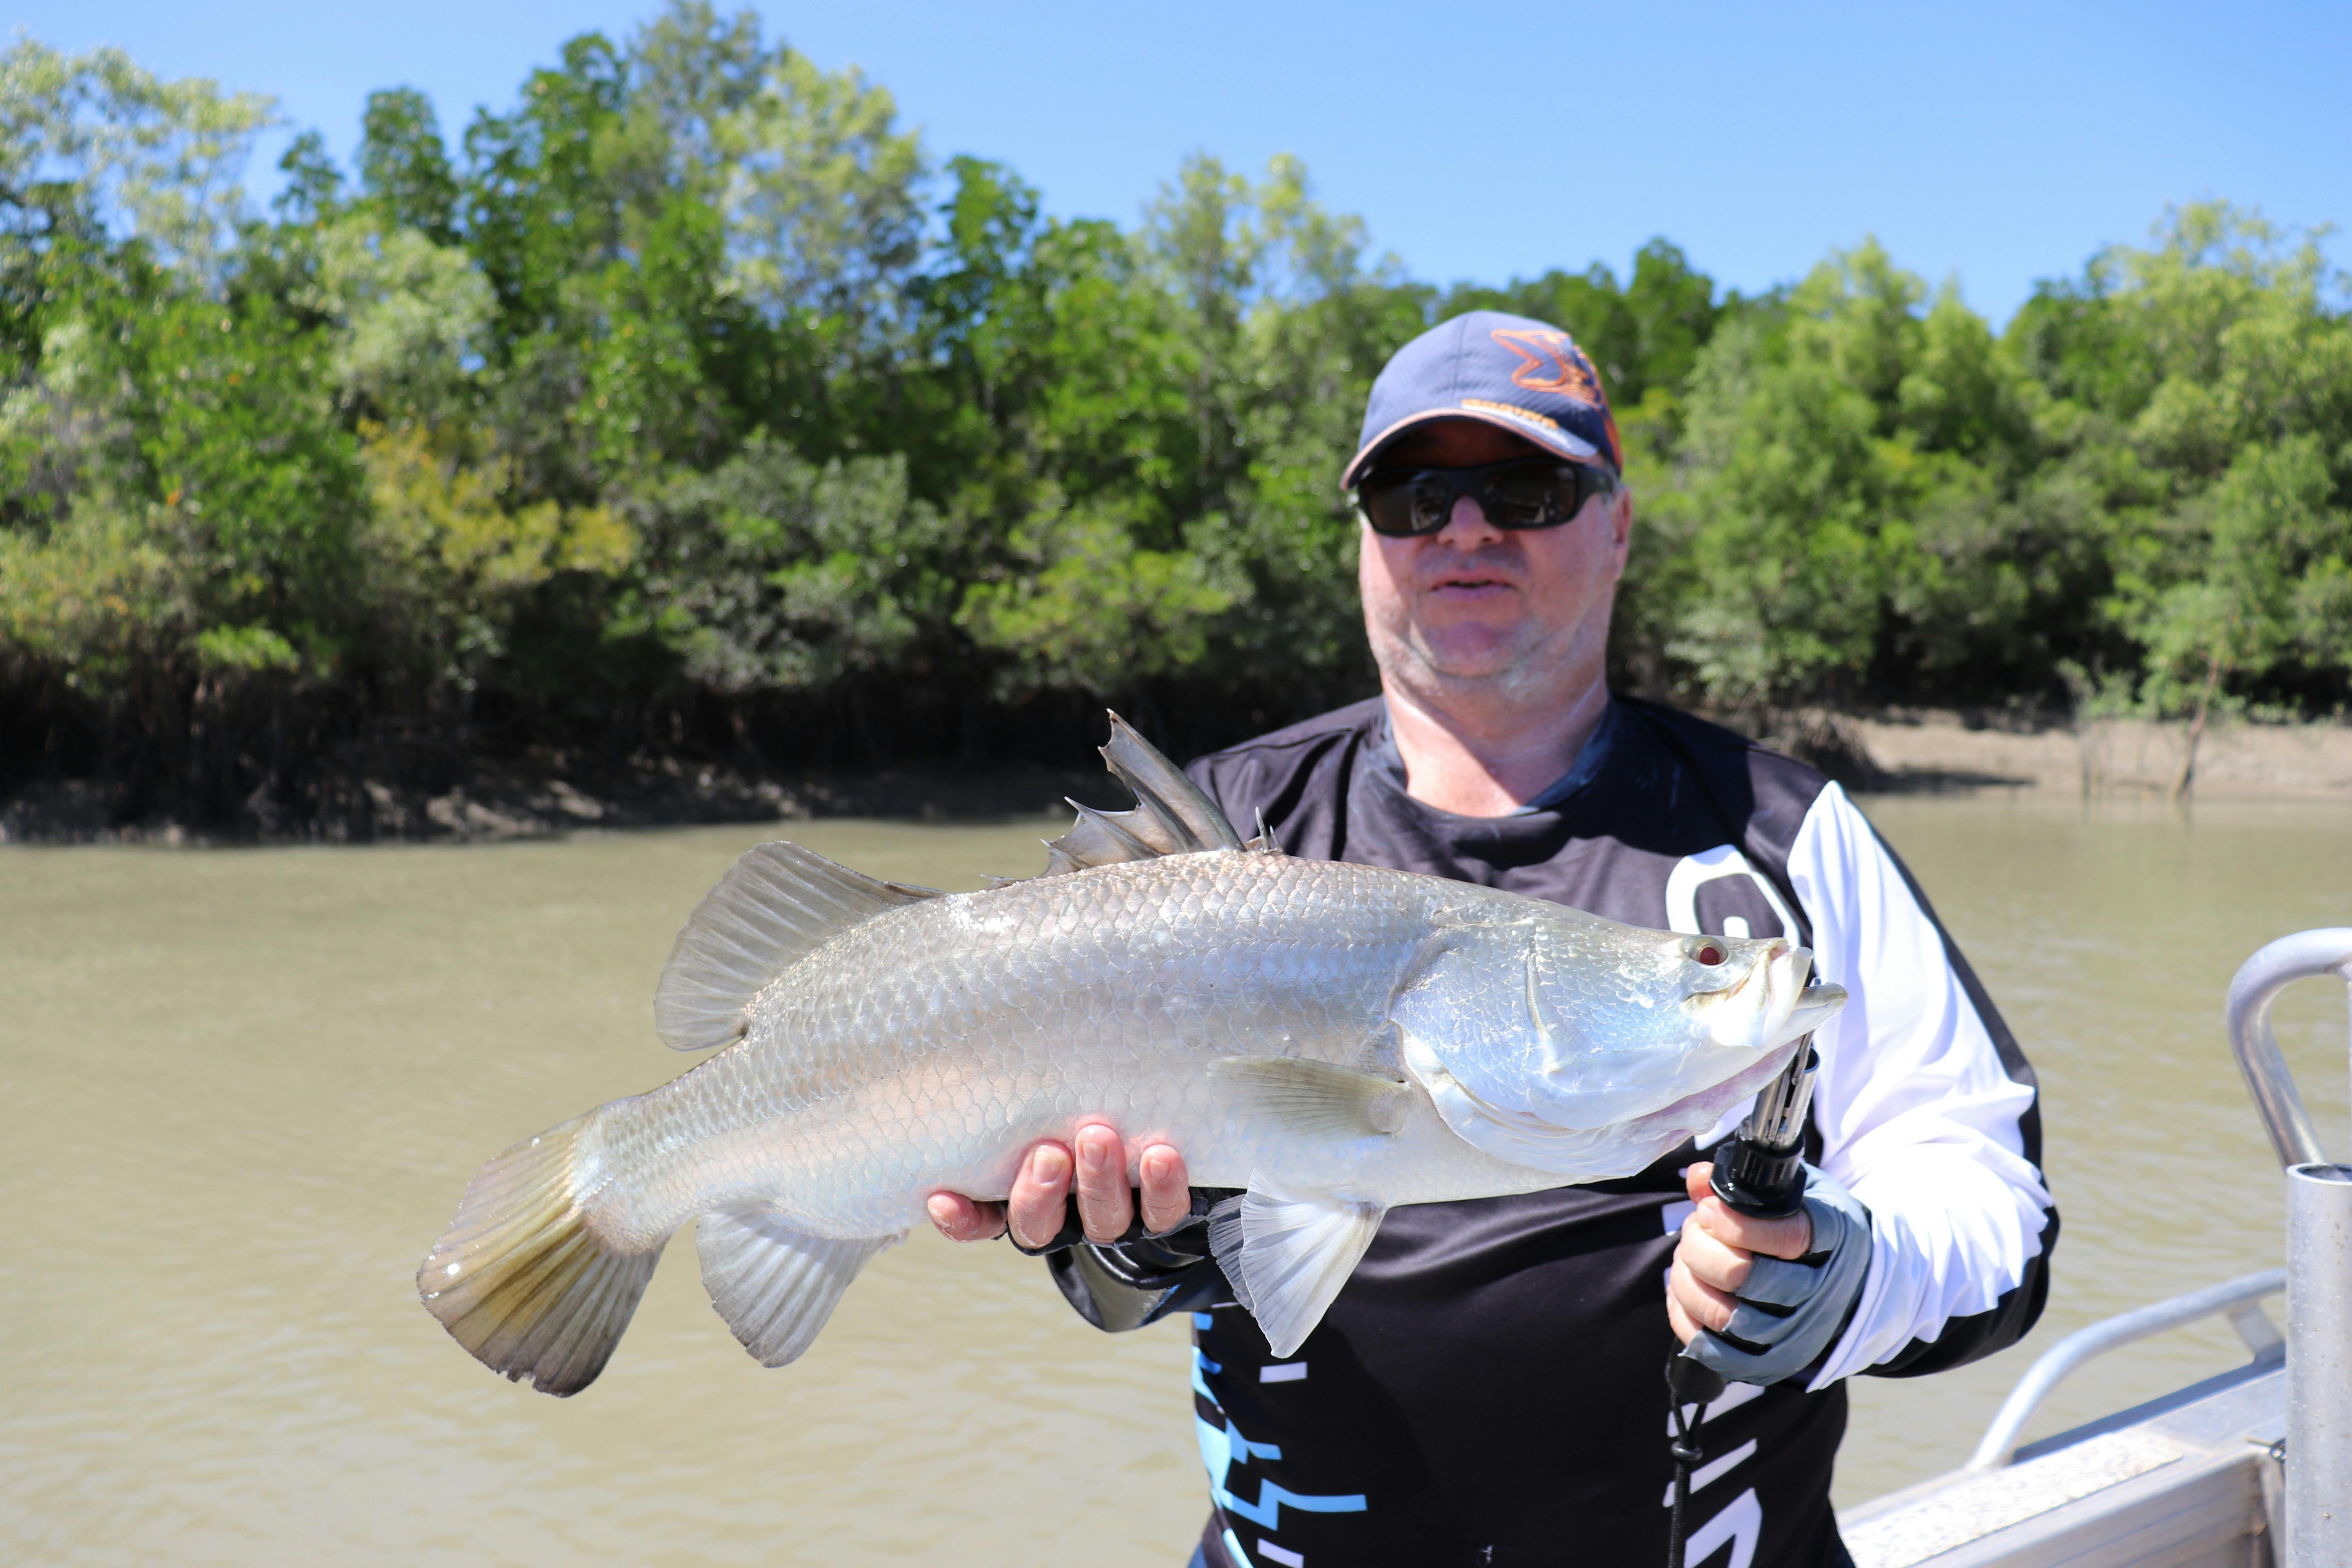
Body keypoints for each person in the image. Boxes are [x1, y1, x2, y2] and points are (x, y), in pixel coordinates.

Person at [925, 311, 2056, 1568]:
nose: (1465, 529)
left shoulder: (1787, 837)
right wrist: (1141, 1240)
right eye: (1414, 497)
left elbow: (1988, 1200)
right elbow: (1116, 1279)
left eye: (1526, 487)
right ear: (1365, 543)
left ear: (1617, 523)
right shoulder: (1224, 834)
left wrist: (1853, 1278)